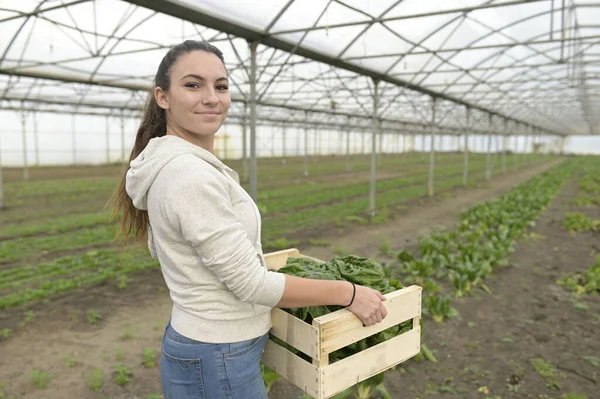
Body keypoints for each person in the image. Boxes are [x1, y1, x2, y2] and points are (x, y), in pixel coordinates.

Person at [111, 40, 387, 399]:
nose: (212, 97)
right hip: (218, 355)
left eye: (221, 86)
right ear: (162, 97)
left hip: (211, 349)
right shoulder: (189, 176)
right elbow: (252, 286)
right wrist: (348, 293)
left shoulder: (176, 167)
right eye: (193, 85)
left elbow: (167, 247)